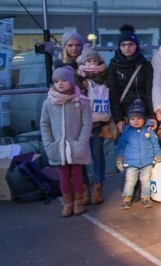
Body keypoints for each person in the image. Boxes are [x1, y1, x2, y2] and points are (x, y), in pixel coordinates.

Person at [40, 65, 92, 217]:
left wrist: (81, 143)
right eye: (56, 81)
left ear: (71, 81)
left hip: (76, 145)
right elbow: (45, 124)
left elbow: (87, 123)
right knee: (63, 173)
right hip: (58, 146)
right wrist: (49, 144)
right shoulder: (48, 103)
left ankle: (78, 202)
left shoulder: (81, 101)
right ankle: (67, 203)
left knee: (76, 172)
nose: (60, 84)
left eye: (64, 80)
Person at [76, 44, 110, 205]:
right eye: (87, 61)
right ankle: (84, 188)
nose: (91, 64)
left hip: (99, 123)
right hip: (81, 124)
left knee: (97, 154)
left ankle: (98, 186)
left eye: (94, 60)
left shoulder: (106, 77)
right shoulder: (79, 79)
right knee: (82, 157)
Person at [115, 99, 161, 209]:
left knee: (146, 180)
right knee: (130, 180)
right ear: (129, 119)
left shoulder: (149, 130)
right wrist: (119, 159)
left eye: (139, 118)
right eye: (132, 118)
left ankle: (146, 197)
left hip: (147, 161)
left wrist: (158, 155)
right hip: (132, 163)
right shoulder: (127, 132)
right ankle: (127, 197)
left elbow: (155, 144)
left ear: (144, 118)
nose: (136, 121)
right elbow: (121, 147)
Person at [107, 25, 155, 133]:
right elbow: (113, 94)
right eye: (123, 45)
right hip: (124, 116)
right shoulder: (113, 66)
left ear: (136, 46)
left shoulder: (145, 65)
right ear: (119, 46)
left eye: (130, 44)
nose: (127, 48)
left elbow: (150, 91)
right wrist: (118, 119)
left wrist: (152, 115)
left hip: (143, 114)